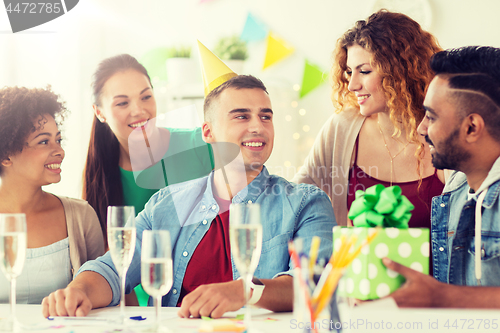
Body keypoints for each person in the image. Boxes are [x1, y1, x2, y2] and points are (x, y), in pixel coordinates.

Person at [42, 75, 335, 318]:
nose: (257, 126)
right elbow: (114, 267)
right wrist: (79, 291)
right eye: (241, 116)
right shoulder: (165, 204)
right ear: (208, 132)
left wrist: (245, 290)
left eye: (265, 116)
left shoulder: (306, 203)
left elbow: (314, 283)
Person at [293, 10, 445, 229]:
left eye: (364, 71)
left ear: (400, 72)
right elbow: (296, 200)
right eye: (348, 71)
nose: (353, 85)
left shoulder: (443, 131)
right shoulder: (342, 129)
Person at [84, 54, 214, 305]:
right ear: (99, 112)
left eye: (146, 96)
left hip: (208, 304)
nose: (139, 110)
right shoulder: (101, 178)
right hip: (143, 312)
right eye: (122, 103)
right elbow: (114, 266)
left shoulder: (200, 145)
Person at [383, 45, 500, 307]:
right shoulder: (454, 193)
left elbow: (445, 296)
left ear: (472, 127)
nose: (422, 129)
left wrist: (441, 297)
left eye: (431, 117)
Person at [0, 86, 104, 304]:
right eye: (44, 141)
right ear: (6, 155)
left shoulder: (81, 216)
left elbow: (106, 289)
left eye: (58, 140)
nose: (60, 151)